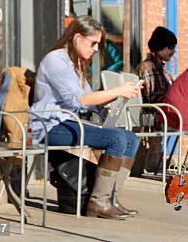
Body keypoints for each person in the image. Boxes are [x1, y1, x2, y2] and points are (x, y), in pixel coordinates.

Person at [30, 16, 141, 220]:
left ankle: (110, 197)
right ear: (77, 37)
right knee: (116, 138)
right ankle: (98, 202)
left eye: (99, 44)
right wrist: (117, 90)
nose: (97, 49)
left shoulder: (77, 64)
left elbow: (88, 101)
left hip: (70, 121)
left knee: (131, 138)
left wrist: (116, 98)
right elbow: (78, 100)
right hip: (50, 125)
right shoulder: (56, 60)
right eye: (93, 43)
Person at [135, 26, 177, 173]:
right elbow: (155, 97)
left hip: (159, 113)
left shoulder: (161, 67)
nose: (173, 52)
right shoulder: (149, 67)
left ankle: (157, 161)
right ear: (160, 47)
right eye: (170, 47)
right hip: (154, 115)